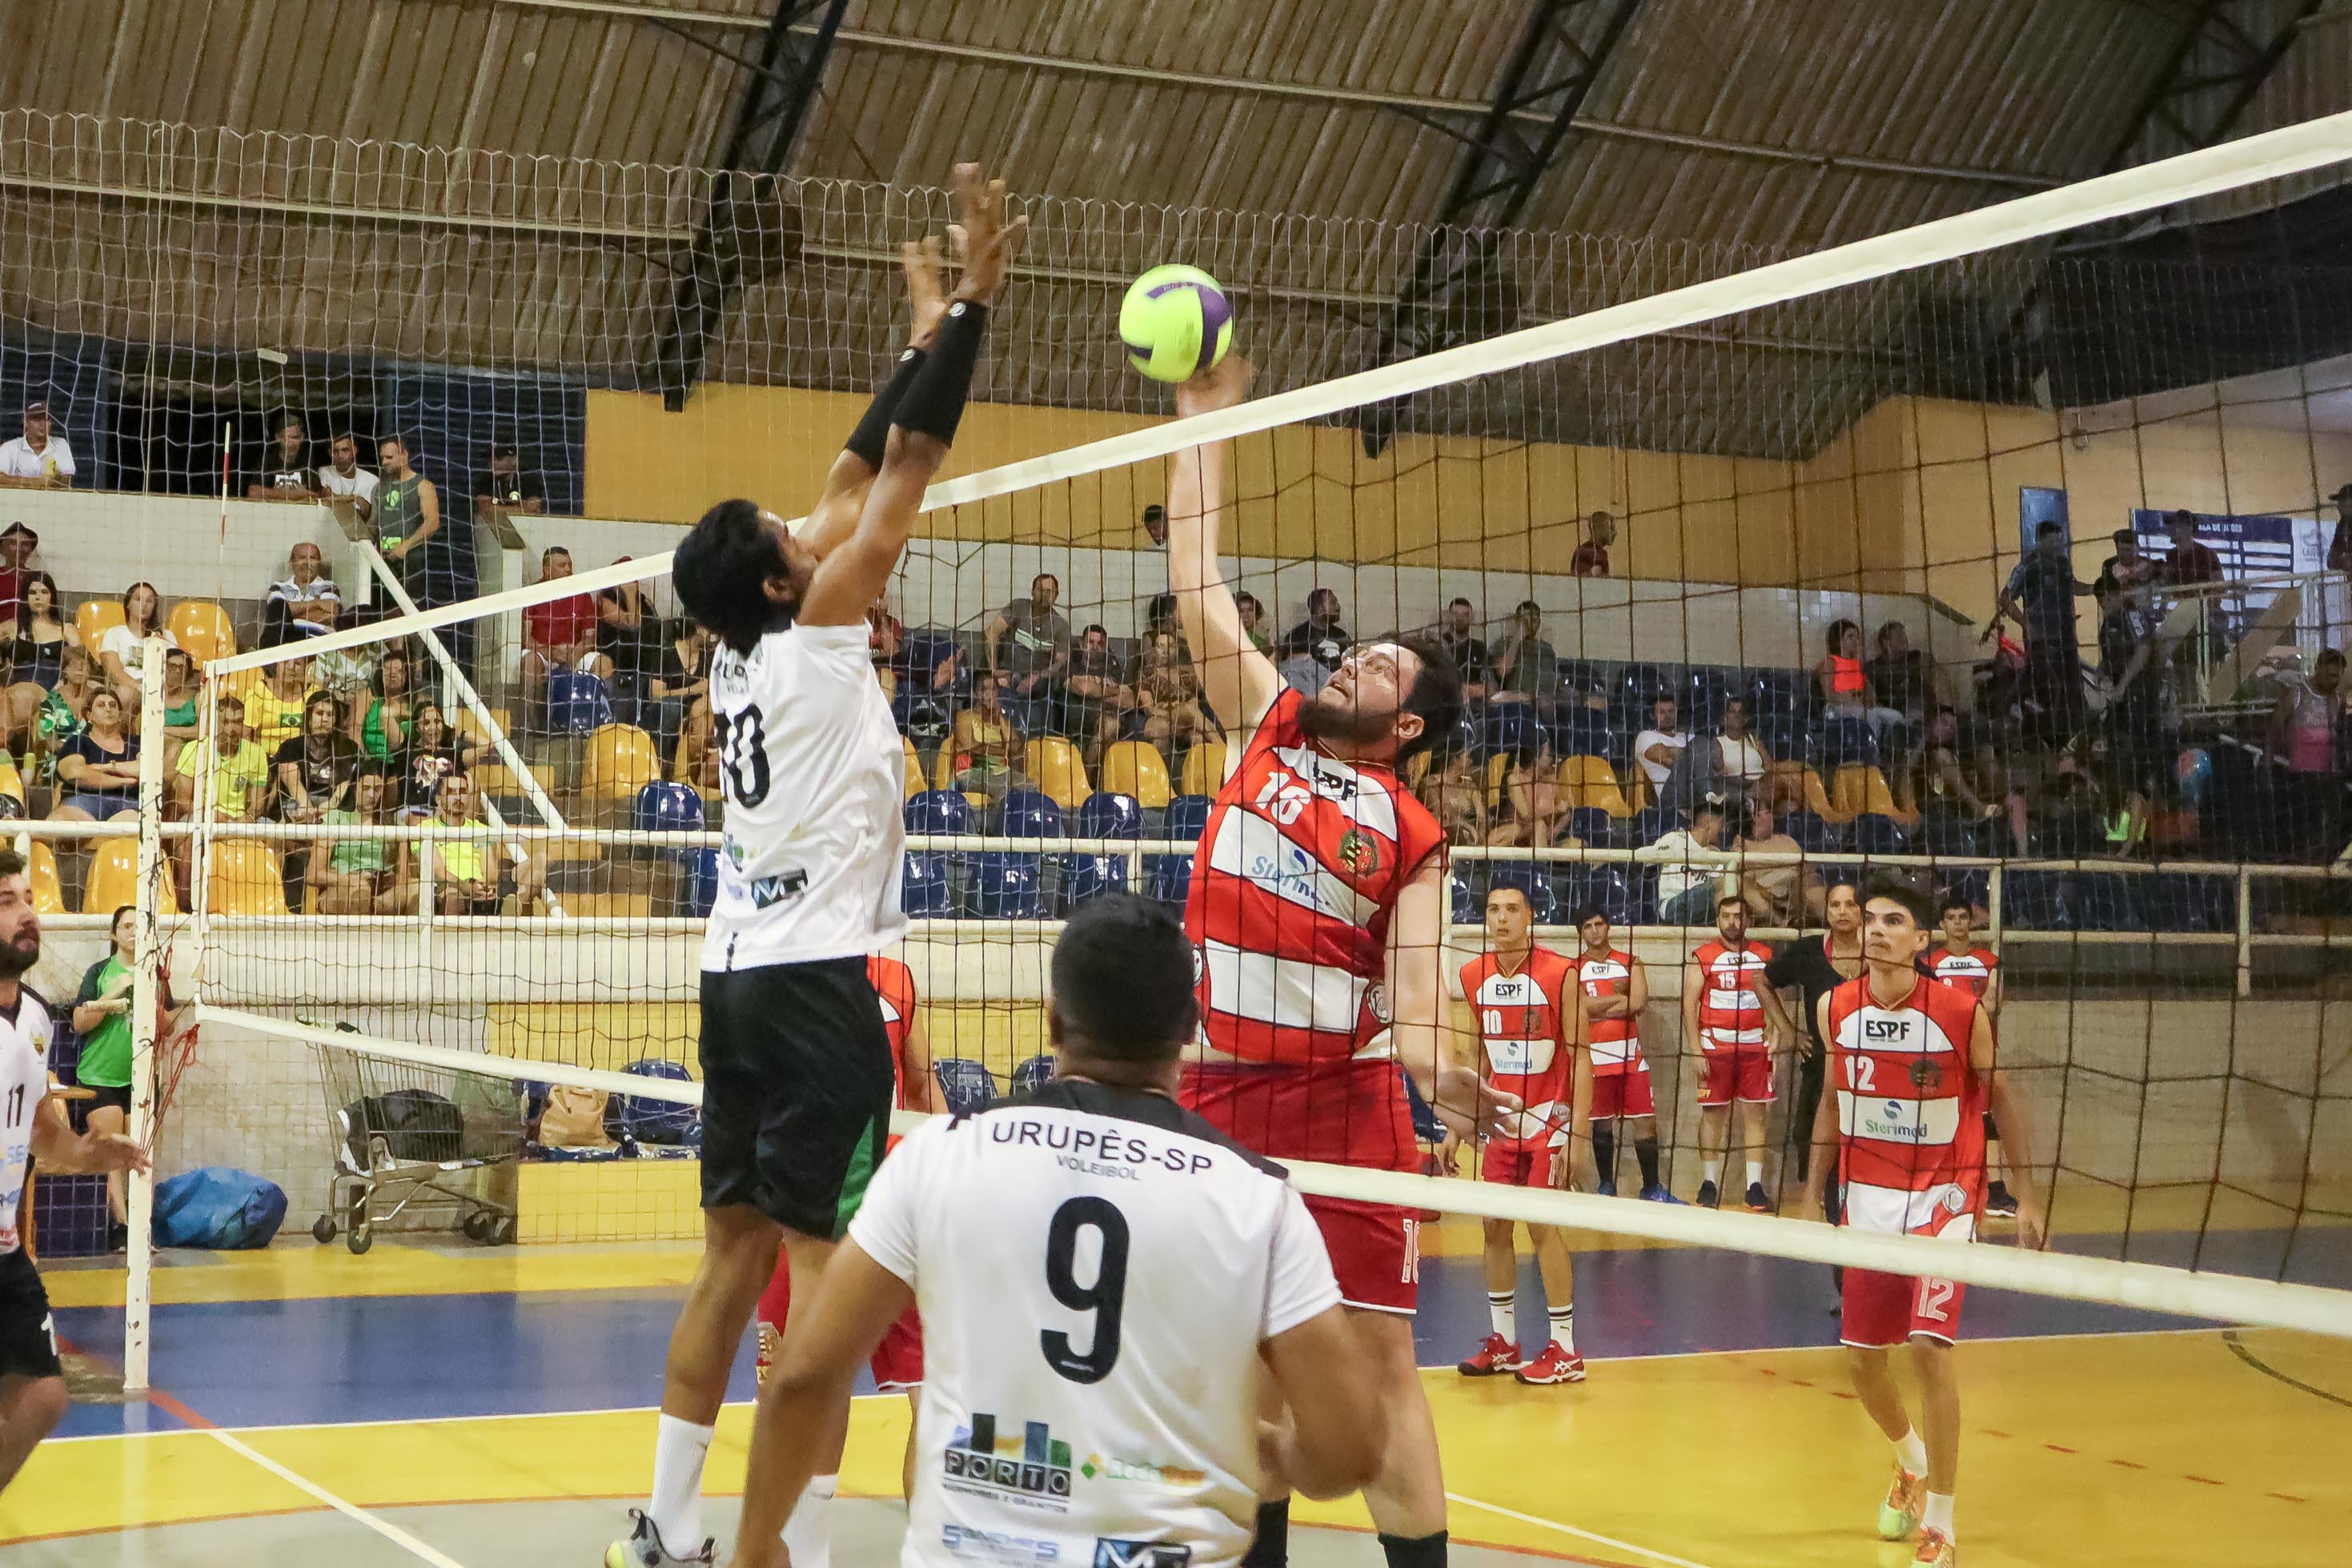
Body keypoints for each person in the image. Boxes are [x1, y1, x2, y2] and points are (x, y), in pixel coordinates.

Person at [609, 165, 1021, 1568]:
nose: (809, 523)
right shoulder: (825, 623)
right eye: (790, 540)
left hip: (730, 980)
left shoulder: (738, 642)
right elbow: (901, 473)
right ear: (785, 582)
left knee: (728, 1265)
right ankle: (776, 1547)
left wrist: (910, 343)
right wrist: (973, 304)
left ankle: (660, 1526)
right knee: (824, 1298)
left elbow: (847, 476)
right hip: (812, 990)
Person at [738, 896, 1383, 1568]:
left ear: (1053, 1019)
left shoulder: (945, 1154)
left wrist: (753, 1553)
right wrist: (1275, 1449)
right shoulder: (1259, 1200)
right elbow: (1351, 1448)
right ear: (1191, 1028)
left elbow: (804, 1379)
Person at [1161, 351, 1506, 1568]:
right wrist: (1204, 420)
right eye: (1351, 651)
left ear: (1404, 725)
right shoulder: (1262, 720)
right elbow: (1195, 578)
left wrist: (1442, 1071)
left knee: (1376, 1366)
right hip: (1215, 1096)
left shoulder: (1415, 835)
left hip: (1344, 1107)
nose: (1347, 660)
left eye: (1375, 669)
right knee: (1240, 1360)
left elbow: (1412, 1007)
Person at [1803, 880, 2044, 1568]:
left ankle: (1942, 1519)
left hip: (1945, 1202)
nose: (1877, 929)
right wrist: (1807, 1197)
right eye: (1870, 919)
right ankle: (1909, 1460)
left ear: (1919, 940)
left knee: (1929, 1349)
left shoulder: (1961, 1011)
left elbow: (2002, 1098)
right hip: (1867, 1204)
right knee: (1861, 1362)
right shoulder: (1834, 1007)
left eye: (1894, 921)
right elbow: (1829, 1100)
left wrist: (2024, 1194)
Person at [750, 951, 933, 1500]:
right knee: (932, 1397)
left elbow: (922, 1090)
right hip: (884, 1200)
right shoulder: (892, 977)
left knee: (790, 1385)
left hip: (824, 1202)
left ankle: (794, 1543)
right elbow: (924, 1094)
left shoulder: (777, 975)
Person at [0, 848, 148, 1497]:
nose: (28, 913)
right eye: (7, 902)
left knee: (43, 1396)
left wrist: (91, 1154)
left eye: (29, 898)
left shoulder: (33, 1017)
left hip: (4, 1248)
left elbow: (39, 1132)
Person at [1455, 885, 1591, 1386]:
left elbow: (1581, 1057)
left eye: (1513, 909)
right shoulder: (1472, 976)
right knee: (1493, 1228)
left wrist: (1577, 1137)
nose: (1502, 918)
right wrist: (1461, 1122)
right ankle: (1506, 1343)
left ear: (1531, 917)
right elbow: (1483, 1058)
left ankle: (1566, 1350)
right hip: (1501, 1126)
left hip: (1548, 1124)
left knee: (1542, 1228)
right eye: (1494, 909)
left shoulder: (1561, 973)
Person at [1757, 880, 1864, 1185]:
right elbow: (1761, 981)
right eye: (1835, 905)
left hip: (1874, 1069)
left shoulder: (1880, 952)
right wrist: (1788, 1031)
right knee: (1814, 1144)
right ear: (1826, 912)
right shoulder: (1808, 950)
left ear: (1862, 913)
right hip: (1821, 1065)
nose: (1842, 912)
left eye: (1850, 904)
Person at [1926, 896, 2018, 1221]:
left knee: (1987, 1118)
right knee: (1942, 1118)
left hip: (1979, 1052)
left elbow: (1993, 1004)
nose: (1957, 923)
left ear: (1970, 922)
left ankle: (1995, 1190)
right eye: (1950, 918)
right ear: (1942, 925)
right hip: (1942, 1053)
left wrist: (1965, 1018)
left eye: (1963, 917)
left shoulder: (1989, 962)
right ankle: (1941, 1186)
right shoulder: (1930, 963)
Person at [1571, 907, 1672, 1202]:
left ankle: (1651, 1188)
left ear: (1608, 927)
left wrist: (1598, 1006)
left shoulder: (1630, 962)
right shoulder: (1574, 968)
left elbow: (1639, 1001)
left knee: (1645, 1121)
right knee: (1601, 1124)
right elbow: (1579, 1008)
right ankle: (1606, 1186)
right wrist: (1619, 998)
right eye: (1588, 926)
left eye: (1599, 924)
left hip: (1631, 1059)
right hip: (1594, 1060)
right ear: (1581, 932)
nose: (1594, 930)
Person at [1684, 893, 1776, 1212]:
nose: (1732, 922)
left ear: (1748, 920)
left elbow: (1774, 1001)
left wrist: (1775, 1037)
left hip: (1754, 1047)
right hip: (1715, 1048)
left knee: (1756, 1115)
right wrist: (1696, 1050)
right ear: (1717, 920)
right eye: (1726, 916)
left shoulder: (1764, 955)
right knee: (1712, 1115)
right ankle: (1709, 1182)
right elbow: (1689, 1004)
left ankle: (1754, 1186)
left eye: (1738, 916)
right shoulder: (1704, 955)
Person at [69, 904, 143, 1241]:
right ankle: (121, 1226)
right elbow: (79, 1023)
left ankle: (142, 1228)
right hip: (100, 1076)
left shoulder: (154, 972)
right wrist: (111, 996)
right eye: (126, 926)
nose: (133, 931)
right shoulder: (99, 972)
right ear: (115, 934)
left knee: (140, 1150)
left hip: (139, 1076)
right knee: (114, 1151)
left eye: (138, 925)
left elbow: (167, 1026)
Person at [1996, 522, 2090, 741]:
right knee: (2048, 686)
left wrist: (2096, 589)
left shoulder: (2062, 563)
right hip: (2041, 639)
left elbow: (2073, 586)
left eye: (2062, 539)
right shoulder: (2028, 566)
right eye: (2056, 539)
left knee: (2072, 687)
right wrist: (2024, 623)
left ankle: (2072, 735)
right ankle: (2026, 725)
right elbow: (2005, 598)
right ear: (2042, 540)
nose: (2060, 544)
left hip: (2066, 636)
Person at [423, 771, 540, 916]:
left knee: (540, 860)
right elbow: (438, 871)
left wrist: (485, 886)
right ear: (439, 800)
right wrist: (466, 886)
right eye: (452, 792)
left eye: (463, 792)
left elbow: (490, 869)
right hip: (449, 888)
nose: (459, 797)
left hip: (478, 889)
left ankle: (514, 904)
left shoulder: (481, 829)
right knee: (453, 895)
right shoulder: (425, 829)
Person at [314, 762, 415, 914]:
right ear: (354, 786)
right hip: (343, 883)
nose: (371, 795)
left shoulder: (394, 823)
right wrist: (351, 880)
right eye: (366, 788)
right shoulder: (334, 819)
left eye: (377, 789)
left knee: (420, 890)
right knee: (361, 894)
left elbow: (403, 875)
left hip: (384, 887)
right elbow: (314, 874)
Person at [520, 547, 604, 720]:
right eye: (562, 565)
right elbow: (526, 639)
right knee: (530, 662)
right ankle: (533, 724)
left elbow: (590, 638)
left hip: (574, 653)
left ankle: (602, 720)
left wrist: (573, 654)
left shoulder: (582, 596)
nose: (568, 570)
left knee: (604, 663)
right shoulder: (532, 593)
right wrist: (550, 652)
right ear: (546, 569)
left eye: (570, 565)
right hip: (542, 653)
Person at [985, 571, 1070, 728]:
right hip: (1009, 673)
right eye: (1040, 590)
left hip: (1040, 682)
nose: (1044, 595)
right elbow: (992, 631)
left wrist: (1036, 677)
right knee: (995, 687)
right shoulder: (1019, 607)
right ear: (1032, 592)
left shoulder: (1061, 626)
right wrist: (993, 667)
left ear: (1056, 595)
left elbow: (1060, 663)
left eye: (1049, 591)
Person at [47, 688, 139, 828]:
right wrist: (124, 781)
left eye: (113, 705)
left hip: (127, 805)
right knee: (59, 820)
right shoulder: (78, 742)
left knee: (132, 824)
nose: (108, 709)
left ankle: (94, 841)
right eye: (101, 705)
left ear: (120, 714)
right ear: (89, 715)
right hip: (82, 804)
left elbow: (145, 770)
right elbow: (75, 774)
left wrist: (103, 767)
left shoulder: (136, 742)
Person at [1645, 795, 1741, 927]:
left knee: (1738, 883)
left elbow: (1723, 884)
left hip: (1699, 907)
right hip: (1673, 905)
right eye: (1721, 824)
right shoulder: (1675, 839)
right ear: (1709, 824)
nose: (1723, 830)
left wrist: (1733, 855)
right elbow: (1646, 860)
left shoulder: (1715, 853)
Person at [375, 435, 448, 606]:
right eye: (382, 458)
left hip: (411, 562)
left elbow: (433, 522)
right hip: (383, 560)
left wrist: (406, 546)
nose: (384, 462)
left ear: (404, 455)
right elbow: (374, 522)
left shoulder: (422, 485)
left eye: (390, 457)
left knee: (410, 609)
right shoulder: (380, 487)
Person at [2, 571, 75, 744]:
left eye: (44, 592)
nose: (38, 598)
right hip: (20, 694)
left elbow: (82, 665)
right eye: (33, 593)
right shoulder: (11, 628)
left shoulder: (67, 629)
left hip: (57, 692)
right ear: (25, 598)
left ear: (53, 596)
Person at [951, 672, 1034, 802]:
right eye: (984, 690)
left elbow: (1018, 747)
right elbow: (971, 747)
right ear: (975, 694)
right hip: (971, 772)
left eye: (993, 689)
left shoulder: (1003, 721)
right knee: (1004, 791)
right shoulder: (964, 716)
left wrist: (1000, 716)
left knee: (1031, 788)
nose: (990, 695)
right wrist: (1005, 751)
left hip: (1002, 772)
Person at [1816, 620, 1907, 738]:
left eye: (1856, 637)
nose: (1855, 640)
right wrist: (1852, 699)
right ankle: (1872, 751)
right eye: (1850, 636)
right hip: (1837, 708)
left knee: (1896, 716)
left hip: (1861, 708)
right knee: (1872, 717)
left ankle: (1892, 752)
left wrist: (1871, 700)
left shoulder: (1856, 664)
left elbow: (1868, 690)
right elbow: (1828, 694)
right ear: (1839, 640)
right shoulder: (1829, 663)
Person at [1060, 623, 1131, 766]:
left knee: (1112, 725)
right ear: (1082, 644)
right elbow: (1084, 689)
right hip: (1081, 718)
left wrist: (1097, 692)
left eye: (1100, 644)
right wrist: (1115, 691)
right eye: (1090, 642)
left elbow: (1130, 700)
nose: (1095, 646)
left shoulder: (1114, 669)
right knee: (1111, 726)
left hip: (1111, 718)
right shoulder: (1072, 665)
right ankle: (1087, 778)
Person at [96, 582, 175, 711]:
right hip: (131, 689)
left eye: (149, 601)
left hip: (162, 690)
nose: (144, 605)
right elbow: (114, 672)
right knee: (124, 692)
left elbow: (176, 669)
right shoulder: (115, 633)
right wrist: (141, 687)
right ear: (128, 604)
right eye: (138, 599)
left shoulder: (167, 636)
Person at [263, 542, 340, 644]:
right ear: (292, 562)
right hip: (285, 638)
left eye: (312, 558)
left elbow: (330, 616)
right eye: (302, 558)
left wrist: (288, 615)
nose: (307, 562)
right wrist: (317, 604)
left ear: (319, 562)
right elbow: (276, 612)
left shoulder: (329, 586)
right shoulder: (279, 586)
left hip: (317, 640)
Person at [1488, 600, 1559, 707]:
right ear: (1517, 621)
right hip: (1518, 702)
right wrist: (1518, 637)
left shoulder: (1547, 649)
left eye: (1534, 621)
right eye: (1524, 620)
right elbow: (1502, 671)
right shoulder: (1503, 644)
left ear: (1539, 623)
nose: (1529, 625)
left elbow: (1557, 680)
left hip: (1547, 700)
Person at [352, 649, 416, 760]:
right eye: (386, 670)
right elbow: (355, 731)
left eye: (398, 670)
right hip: (371, 764)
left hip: (402, 762)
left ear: (407, 675)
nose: (392, 675)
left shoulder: (414, 706)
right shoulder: (370, 701)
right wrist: (362, 760)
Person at [0, 403, 74, 488]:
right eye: (37, 419)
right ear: (26, 422)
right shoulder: (10, 447)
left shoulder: (60, 444)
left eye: (46, 419)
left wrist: (54, 479)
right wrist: (38, 482)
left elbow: (67, 479)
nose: (42, 424)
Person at [248, 416, 322, 499]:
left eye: (295, 437)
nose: (292, 443)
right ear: (277, 438)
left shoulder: (307, 461)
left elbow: (317, 495)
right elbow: (253, 493)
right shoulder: (267, 460)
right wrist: (290, 495)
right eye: (286, 439)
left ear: (302, 437)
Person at [1431, 598, 1489, 699]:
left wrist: (1464, 689)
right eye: (1455, 613)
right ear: (1448, 616)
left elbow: (1490, 688)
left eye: (1466, 614)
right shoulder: (1437, 645)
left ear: (1472, 618)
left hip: (1476, 706)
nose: (1460, 618)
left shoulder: (1480, 647)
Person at [1631, 693, 1686, 792]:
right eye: (1662, 712)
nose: (1667, 716)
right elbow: (1668, 758)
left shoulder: (1687, 737)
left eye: (1671, 711)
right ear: (1653, 715)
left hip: (1693, 785)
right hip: (1669, 793)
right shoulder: (1646, 736)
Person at [316, 432, 379, 519]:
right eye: (335, 451)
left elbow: (370, 514)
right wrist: (354, 499)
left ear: (354, 451)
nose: (340, 455)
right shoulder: (324, 473)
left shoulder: (371, 480)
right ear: (330, 453)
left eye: (345, 450)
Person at [474, 444, 545, 516]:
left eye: (498, 458)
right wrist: (520, 508)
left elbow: (533, 510)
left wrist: (497, 509)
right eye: (490, 459)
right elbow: (485, 509)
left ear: (514, 459)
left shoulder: (528, 478)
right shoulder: (486, 479)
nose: (493, 463)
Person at [1570, 510, 1615, 576]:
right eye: (1611, 528)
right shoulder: (1585, 552)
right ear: (1599, 530)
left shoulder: (1601, 553)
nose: (1615, 533)